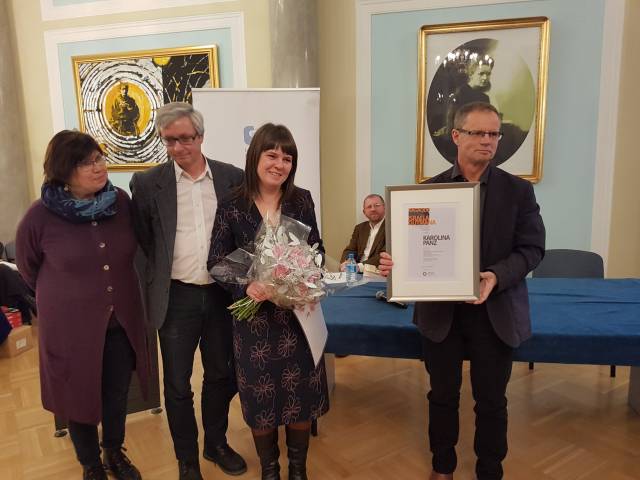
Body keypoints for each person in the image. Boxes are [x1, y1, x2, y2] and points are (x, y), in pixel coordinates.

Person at [379, 102, 545, 480]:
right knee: (442, 395)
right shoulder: (426, 192)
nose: (488, 141)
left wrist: (496, 276)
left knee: (492, 400)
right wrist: (395, 263)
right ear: (456, 135)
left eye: (494, 134)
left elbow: (533, 249)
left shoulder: (518, 192)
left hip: (495, 312)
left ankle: (490, 469)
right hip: (442, 315)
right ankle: (443, 466)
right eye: (478, 132)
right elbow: (412, 248)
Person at [15, 130, 151, 480]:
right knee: (78, 395)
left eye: (99, 158)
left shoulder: (120, 202)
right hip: (70, 329)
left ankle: (113, 451)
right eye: (86, 163)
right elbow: (28, 270)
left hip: (121, 319)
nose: (98, 167)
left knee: (117, 393)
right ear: (63, 171)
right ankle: (91, 464)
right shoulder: (39, 217)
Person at [129, 102, 246, 480]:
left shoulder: (232, 178)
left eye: (185, 138)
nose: (178, 147)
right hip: (176, 297)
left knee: (221, 375)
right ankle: (187, 459)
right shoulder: (147, 184)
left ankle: (216, 443)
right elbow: (144, 243)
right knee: (177, 384)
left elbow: (243, 236)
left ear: (201, 136)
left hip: (221, 294)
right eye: (169, 140)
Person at [208, 123, 329, 480]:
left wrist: (304, 276)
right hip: (255, 323)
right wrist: (247, 284)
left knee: (301, 395)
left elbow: (317, 250)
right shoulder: (232, 203)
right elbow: (216, 261)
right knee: (261, 398)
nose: (279, 164)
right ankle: (270, 470)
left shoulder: (301, 199)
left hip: (297, 317)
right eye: (272, 155)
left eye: (287, 158)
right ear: (255, 157)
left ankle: (298, 469)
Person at [339, 194, 385, 273]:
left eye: (377, 205)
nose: (373, 209)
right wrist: (347, 262)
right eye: (369, 207)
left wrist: (358, 267)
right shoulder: (359, 228)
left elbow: (384, 255)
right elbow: (350, 249)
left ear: (384, 207)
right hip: (356, 273)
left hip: (378, 273)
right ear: (364, 212)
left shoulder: (391, 227)